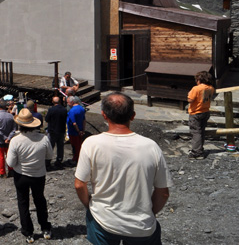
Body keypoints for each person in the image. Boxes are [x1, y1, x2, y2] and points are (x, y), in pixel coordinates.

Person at [74, 92, 173, 244]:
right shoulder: (151, 146)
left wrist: (90, 207)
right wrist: (149, 213)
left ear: (103, 115)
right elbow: (163, 192)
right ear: (132, 115)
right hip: (141, 225)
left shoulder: (91, 143)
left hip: (103, 220)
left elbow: (79, 184)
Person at [6, 108, 53, 243]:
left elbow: (10, 162)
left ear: (20, 124)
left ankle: (28, 233)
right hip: (38, 175)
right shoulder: (43, 138)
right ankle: (45, 228)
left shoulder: (16, 141)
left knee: (23, 202)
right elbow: (49, 156)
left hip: (21, 176)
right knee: (40, 200)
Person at [187, 71, 215, 159]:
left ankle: (196, 152)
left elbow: (190, 100)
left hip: (196, 113)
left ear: (199, 79)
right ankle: (200, 149)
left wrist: (188, 95)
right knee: (201, 132)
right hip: (205, 111)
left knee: (196, 132)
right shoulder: (211, 88)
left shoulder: (196, 88)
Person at [0, 99, 17, 178]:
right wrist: (8, 138)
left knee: (1, 157)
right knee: (9, 155)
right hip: (9, 140)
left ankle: (2, 172)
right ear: (6, 107)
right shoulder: (11, 116)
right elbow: (14, 129)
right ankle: (11, 170)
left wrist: (4, 137)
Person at [45, 96, 68, 168]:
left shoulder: (51, 110)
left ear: (53, 102)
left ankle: (48, 161)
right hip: (61, 130)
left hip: (52, 131)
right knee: (60, 146)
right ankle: (59, 160)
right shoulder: (64, 110)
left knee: (50, 147)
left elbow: (47, 119)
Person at [67, 96, 86, 164]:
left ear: (72, 102)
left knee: (75, 146)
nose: (68, 104)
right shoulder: (81, 108)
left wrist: (78, 131)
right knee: (79, 145)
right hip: (80, 130)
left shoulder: (72, 111)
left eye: (68, 102)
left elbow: (74, 123)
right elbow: (84, 120)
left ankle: (75, 159)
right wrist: (83, 130)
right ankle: (77, 158)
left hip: (73, 131)